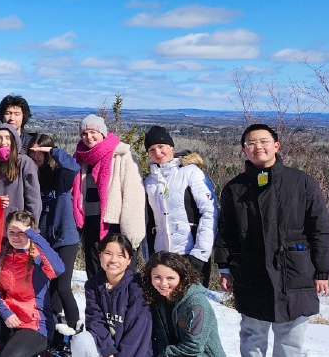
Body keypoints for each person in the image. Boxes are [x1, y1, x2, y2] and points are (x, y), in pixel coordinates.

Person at [215, 124, 329, 357]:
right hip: (251, 272)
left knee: (291, 342)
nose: (257, 147)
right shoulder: (234, 188)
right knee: (252, 337)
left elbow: (320, 228)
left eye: (263, 141)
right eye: (251, 143)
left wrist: (322, 271)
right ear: (244, 150)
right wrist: (224, 267)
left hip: (295, 271)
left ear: (276, 146)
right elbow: (226, 231)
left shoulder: (301, 182)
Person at [0, 211, 65, 357]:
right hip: (11, 320)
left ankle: (37, 352)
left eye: (21, 232)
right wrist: (6, 314)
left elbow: (58, 268)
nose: (16, 237)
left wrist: (34, 235)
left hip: (35, 326)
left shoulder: (40, 259)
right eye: (12, 232)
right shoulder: (3, 258)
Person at [140, 126, 217, 287]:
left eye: (161, 147)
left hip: (190, 252)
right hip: (162, 256)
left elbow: (209, 212)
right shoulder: (149, 183)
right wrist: (149, 257)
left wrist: (201, 253)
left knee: (192, 305)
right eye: (152, 149)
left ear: (171, 147)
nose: (158, 153)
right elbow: (148, 222)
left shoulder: (191, 173)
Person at [26, 134, 85, 343]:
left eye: (40, 152)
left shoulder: (61, 175)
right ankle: (55, 337)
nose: (36, 156)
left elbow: (74, 168)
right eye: (32, 151)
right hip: (46, 240)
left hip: (66, 239)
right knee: (49, 288)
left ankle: (77, 333)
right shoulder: (32, 175)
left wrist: (52, 151)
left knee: (62, 287)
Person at [74, 115, 146, 280]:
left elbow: (133, 197)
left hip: (115, 227)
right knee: (95, 278)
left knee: (120, 280)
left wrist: (132, 237)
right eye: (84, 133)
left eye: (93, 132)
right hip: (90, 225)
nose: (88, 137)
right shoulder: (80, 157)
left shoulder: (122, 156)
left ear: (103, 133)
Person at [70, 233, 152, 357]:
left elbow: (137, 333)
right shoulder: (94, 285)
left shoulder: (137, 287)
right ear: (100, 256)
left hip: (135, 352)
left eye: (120, 255)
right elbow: (95, 320)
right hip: (108, 351)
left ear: (129, 260)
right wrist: (108, 351)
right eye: (108, 253)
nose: (113, 260)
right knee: (81, 340)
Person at [145, 252, 227, 357]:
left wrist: (164, 355)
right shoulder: (159, 300)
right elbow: (161, 336)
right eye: (157, 277)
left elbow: (193, 346)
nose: (163, 283)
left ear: (182, 277)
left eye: (170, 278)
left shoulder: (197, 303)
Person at [0, 124, 43, 218]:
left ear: (14, 141)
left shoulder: (24, 162)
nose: (3, 142)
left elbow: (33, 199)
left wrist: (30, 226)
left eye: (8, 138)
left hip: (17, 224)